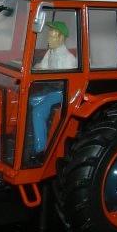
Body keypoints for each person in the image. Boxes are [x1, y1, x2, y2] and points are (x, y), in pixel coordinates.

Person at [28, 21, 77, 159]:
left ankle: (40, 150)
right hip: (49, 89)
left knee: (38, 112)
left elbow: (67, 82)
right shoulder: (50, 52)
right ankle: (29, 136)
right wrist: (32, 67)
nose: (48, 39)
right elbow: (42, 67)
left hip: (61, 92)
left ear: (61, 38)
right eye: (48, 36)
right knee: (28, 101)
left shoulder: (69, 59)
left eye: (52, 36)